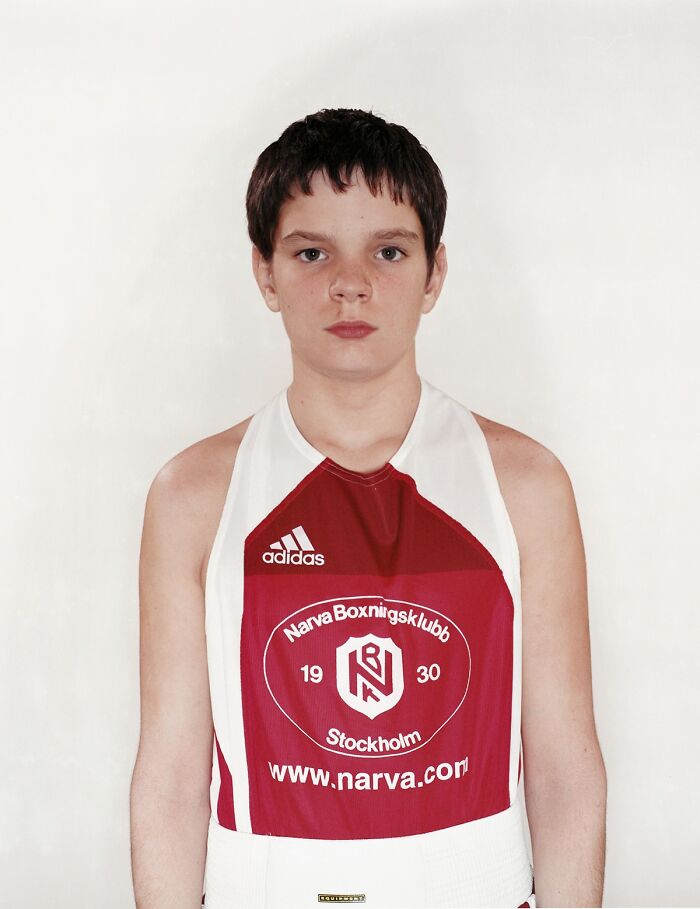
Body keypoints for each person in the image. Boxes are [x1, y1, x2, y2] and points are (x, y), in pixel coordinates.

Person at [130, 108, 607, 908]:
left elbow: (564, 765)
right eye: (311, 252)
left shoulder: (524, 486)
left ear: (435, 273)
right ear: (265, 273)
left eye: (388, 250)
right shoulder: (193, 496)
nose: (350, 283)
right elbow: (172, 775)